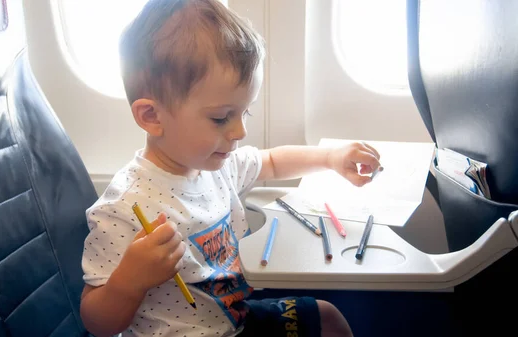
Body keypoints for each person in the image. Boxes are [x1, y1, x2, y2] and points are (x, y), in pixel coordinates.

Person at [79, 1, 380, 336]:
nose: (240, 132)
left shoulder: (215, 165)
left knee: (328, 319)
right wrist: (129, 281)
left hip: (236, 319)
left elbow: (272, 161)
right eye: (221, 118)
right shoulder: (122, 210)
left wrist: (330, 158)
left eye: (245, 113)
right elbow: (97, 322)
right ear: (152, 116)